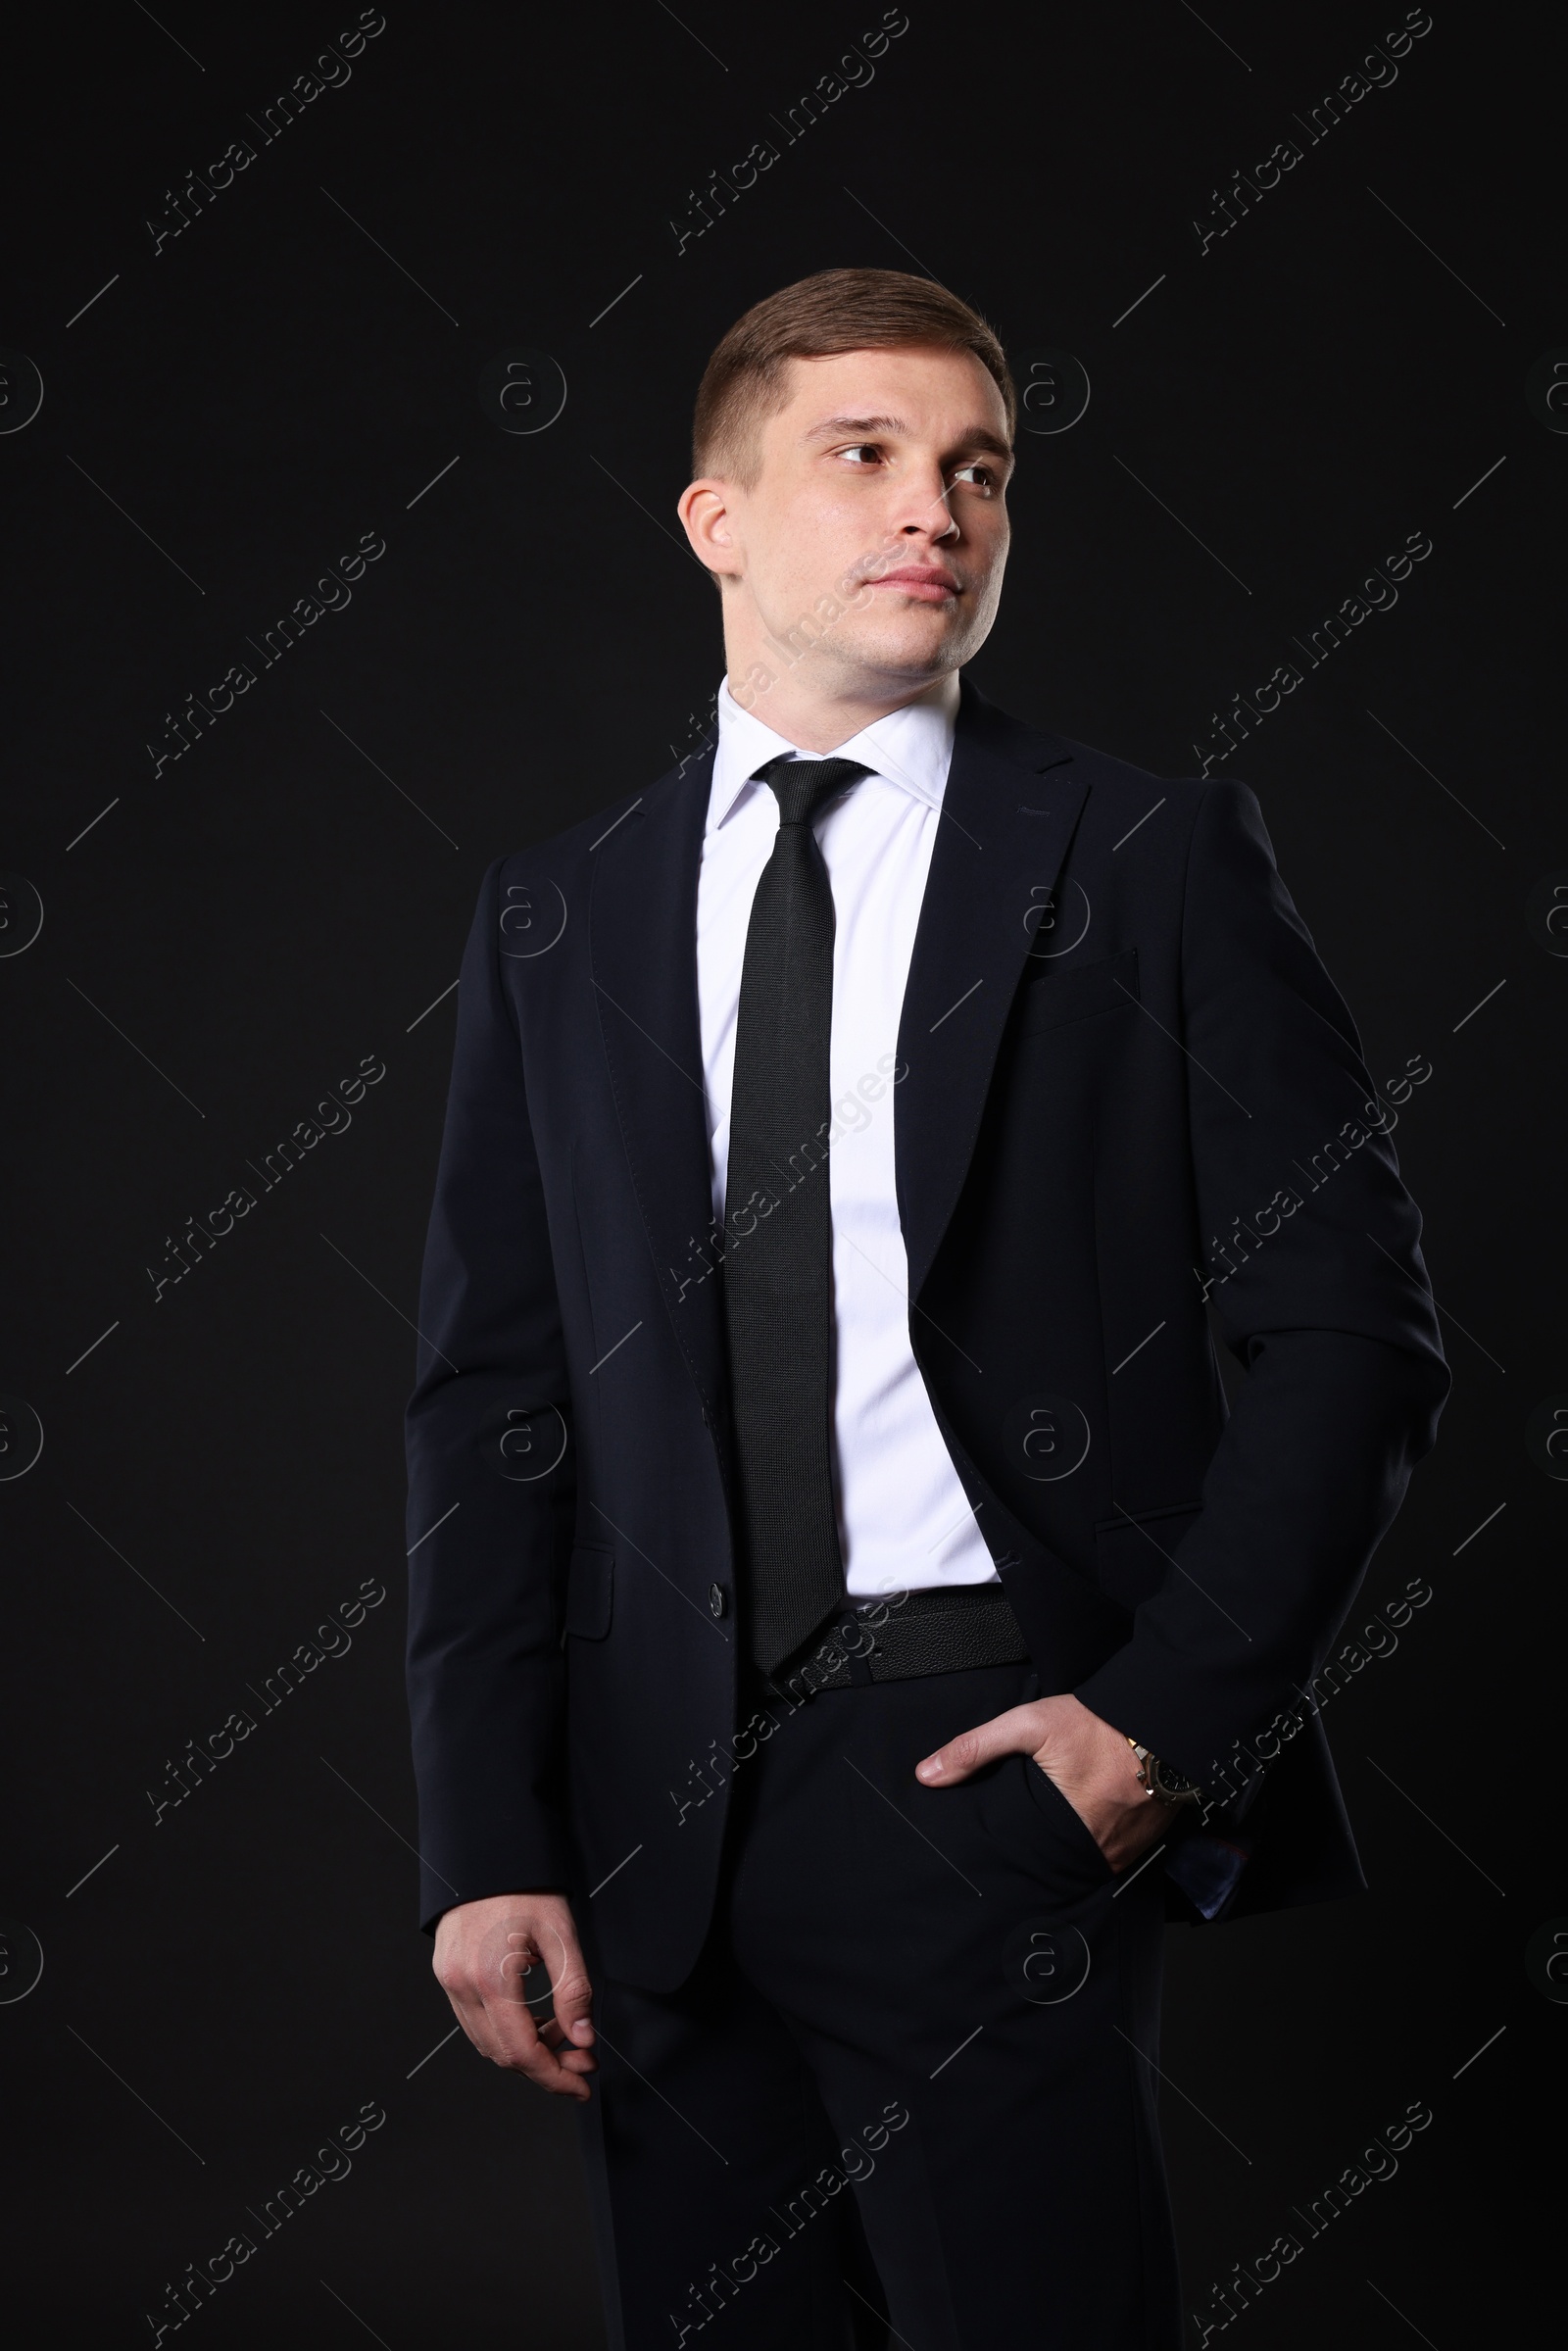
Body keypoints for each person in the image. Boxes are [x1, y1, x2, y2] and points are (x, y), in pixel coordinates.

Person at [403, 268, 1447, 2348]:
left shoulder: (1149, 859)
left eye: (975, 468)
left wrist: (1154, 1731)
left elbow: (1350, 1330)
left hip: (986, 1770)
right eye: (861, 456)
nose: (935, 512)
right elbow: (490, 1402)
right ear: (714, 521)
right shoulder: (559, 909)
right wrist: (481, 1840)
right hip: (649, 1821)